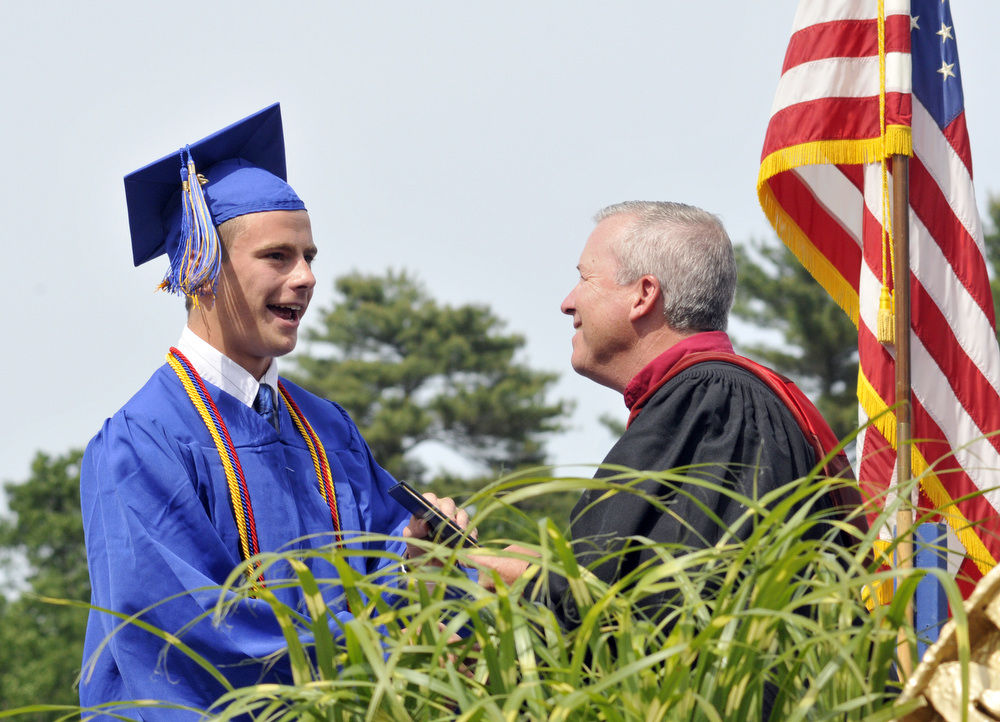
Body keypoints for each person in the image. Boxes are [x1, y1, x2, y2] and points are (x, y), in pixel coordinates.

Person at [79, 104, 461, 718]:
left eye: (310, 256)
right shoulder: (141, 443)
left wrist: (421, 550)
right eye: (278, 257)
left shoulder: (326, 427)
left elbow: (387, 555)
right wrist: (384, 607)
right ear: (201, 267)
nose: (307, 278)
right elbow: (190, 638)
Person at [477, 201, 856, 626]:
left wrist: (519, 579)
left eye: (584, 277)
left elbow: (670, 615)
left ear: (643, 294)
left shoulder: (714, 403)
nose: (567, 303)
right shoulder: (710, 400)